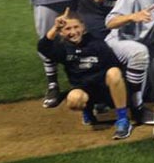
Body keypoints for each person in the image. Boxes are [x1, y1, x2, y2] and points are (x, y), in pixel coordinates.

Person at [37, 9, 132, 139]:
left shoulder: (97, 43)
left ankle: (122, 119)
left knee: (114, 72)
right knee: (73, 99)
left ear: (83, 27)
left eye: (76, 27)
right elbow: (43, 47)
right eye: (67, 29)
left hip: (105, 91)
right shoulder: (63, 49)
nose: (73, 32)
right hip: (85, 92)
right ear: (61, 32)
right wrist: (55, 27)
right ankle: (87, 111)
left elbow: (115, 67)